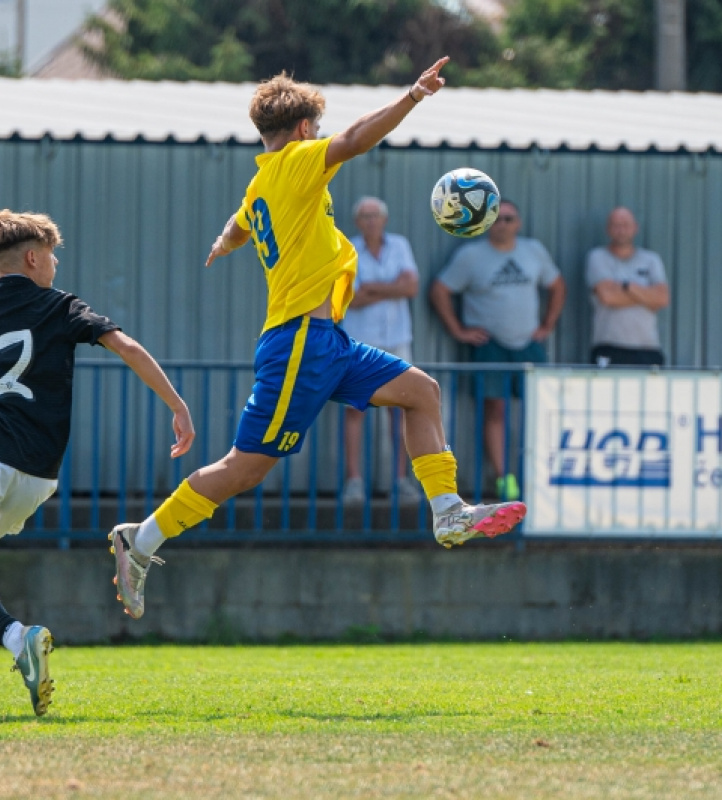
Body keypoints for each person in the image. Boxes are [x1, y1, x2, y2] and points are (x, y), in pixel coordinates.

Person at [108, 56, 527, 622]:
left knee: (420, 391)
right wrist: (412, 96)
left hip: (327, 340)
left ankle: (448, 511)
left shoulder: (263, 182)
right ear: (304, 130)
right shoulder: (299, 162)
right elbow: (354, 140)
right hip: (298, 344)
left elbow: (240, 220)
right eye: (317, 131)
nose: (322, 139)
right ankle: (144, 537)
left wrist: (225, 240)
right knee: (246, 467)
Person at [0, 209, 195, 716]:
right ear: (32, 257)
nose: (56, 266)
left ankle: (17, 637)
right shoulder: (60, 307)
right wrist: (176, 405)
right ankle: (16, 639)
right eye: (53, 256)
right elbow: (125, 345)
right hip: (37, 477)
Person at [429, 199, 566, 501]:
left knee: (539, 410)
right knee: (495, 410)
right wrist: (458, 331)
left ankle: (539, 476)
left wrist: (547, 325)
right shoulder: (470, 255)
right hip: (490, 345)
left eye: (509, 218)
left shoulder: (534, 251)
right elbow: (440, 289)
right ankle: (505, 479)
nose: (503, 224)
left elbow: (557, 285)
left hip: (528, 344)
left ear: (518, 222)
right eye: (497, 219)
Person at [341, 196, 421, 505]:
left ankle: (400, 480)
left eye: (375, 215)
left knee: (399, 409)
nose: (370, 220)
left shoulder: (400, 245)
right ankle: (354, 481)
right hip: (359, 340)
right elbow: (351, 298)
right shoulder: (348, 248)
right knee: (354, 409)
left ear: (384, 219)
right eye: (364, 216)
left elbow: (411, 288)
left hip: (397, 338)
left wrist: (373, 288)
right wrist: (392, 287)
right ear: (357, 221)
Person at [586, 206, 670, 366]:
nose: (621, 230)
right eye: (616, 225)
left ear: (635, 228)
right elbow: (608, 297)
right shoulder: (598, 257)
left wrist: (627, 287)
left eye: (625, 225)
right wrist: (647, 297)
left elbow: (662, 298)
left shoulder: (651, 260)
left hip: (648, 348)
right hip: (609, 346)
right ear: (608, 229)